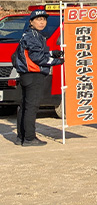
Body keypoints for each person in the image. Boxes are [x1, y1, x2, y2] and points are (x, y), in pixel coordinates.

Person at [13, 9, 64, 146]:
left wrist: (54, 53)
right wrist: (57, 61)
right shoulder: (32, 36)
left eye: (44, 19)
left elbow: (40, 52)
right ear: (31, 22)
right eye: (38, 20)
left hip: (27, 75)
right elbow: (37, 57)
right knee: (31, 107)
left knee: (24, 106)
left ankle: (21, 137)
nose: (42, 22)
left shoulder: (33, 35)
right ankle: (29, 138)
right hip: (33, 75)